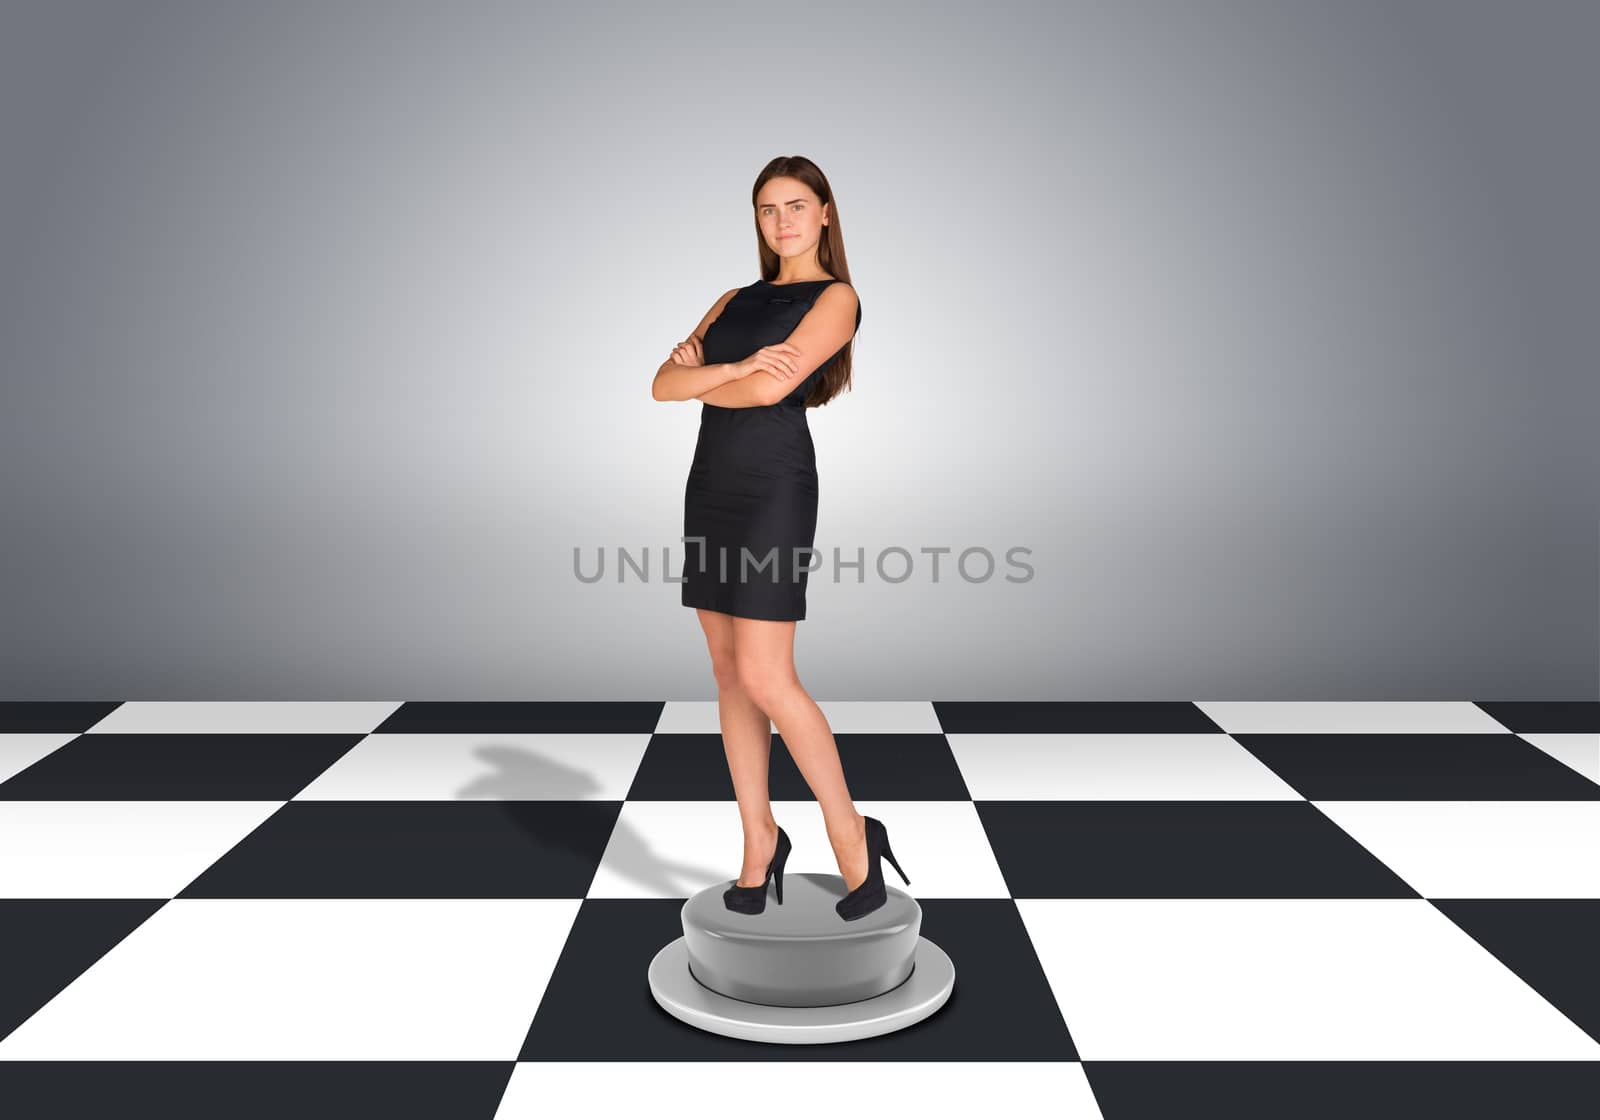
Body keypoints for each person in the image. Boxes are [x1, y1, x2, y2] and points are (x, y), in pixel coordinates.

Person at [651, 156, 907, 921]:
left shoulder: (838, 298)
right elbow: (661, 385)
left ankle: (851, 831)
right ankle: (759, 841)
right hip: (711, 484)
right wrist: (729, 366)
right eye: (768, 208)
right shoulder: (733, 299)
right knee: (729, 674)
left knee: (768, 678)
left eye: (798, 205)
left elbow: (769, 389)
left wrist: (713, 377)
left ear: (826, 213)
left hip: (772, 489)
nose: (782, 220)